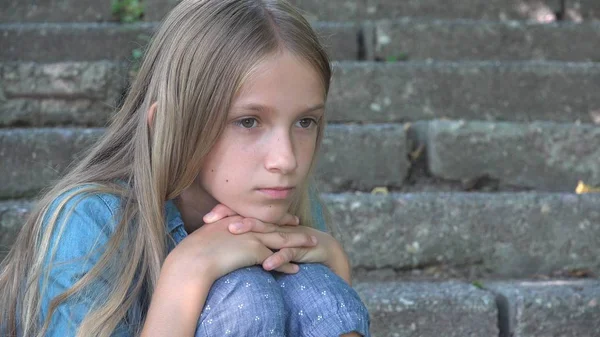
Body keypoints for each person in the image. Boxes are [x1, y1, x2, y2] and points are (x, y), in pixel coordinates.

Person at [0, 0, 371, 336]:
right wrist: (187, 271)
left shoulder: (285, 203)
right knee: (247, 298)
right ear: (170, 126)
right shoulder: (89, 222)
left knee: (314, 289)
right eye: (248, 121)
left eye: (305, 122)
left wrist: (334, 261)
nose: (286, 159)